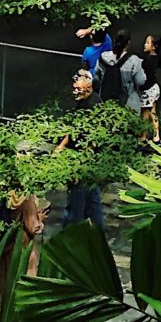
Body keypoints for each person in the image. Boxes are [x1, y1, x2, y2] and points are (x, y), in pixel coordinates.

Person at [57, 69, 105, 234]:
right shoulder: (82, 103)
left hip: (83, 163)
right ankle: (96, 234)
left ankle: (71, 236)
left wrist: (80, 165)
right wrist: (61, 147)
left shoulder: (94, 106)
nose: (74, 88)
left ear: (89, 85)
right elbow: (74, 128)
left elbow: (93, 140)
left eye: (78, 84)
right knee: (92, 201)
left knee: (77, 204)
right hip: (80, 160)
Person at [96, 29, 146, 111]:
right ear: (128, 43)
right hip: (128, 103)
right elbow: (140, 81)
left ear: (114, 40)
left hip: (105, 101)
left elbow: (95, 78)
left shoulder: (103, 57)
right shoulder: (133, 60)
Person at [138, 33, 161, 143]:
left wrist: (142, 87)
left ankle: (143, 136)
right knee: (153, 112)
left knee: (145, 113)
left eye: (147, 43)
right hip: (154, 88)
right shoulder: (157, 58)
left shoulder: (148, 60)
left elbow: (147, 78)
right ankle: (156, 135)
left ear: (154, 47)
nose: (145, 44)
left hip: (149, 89)